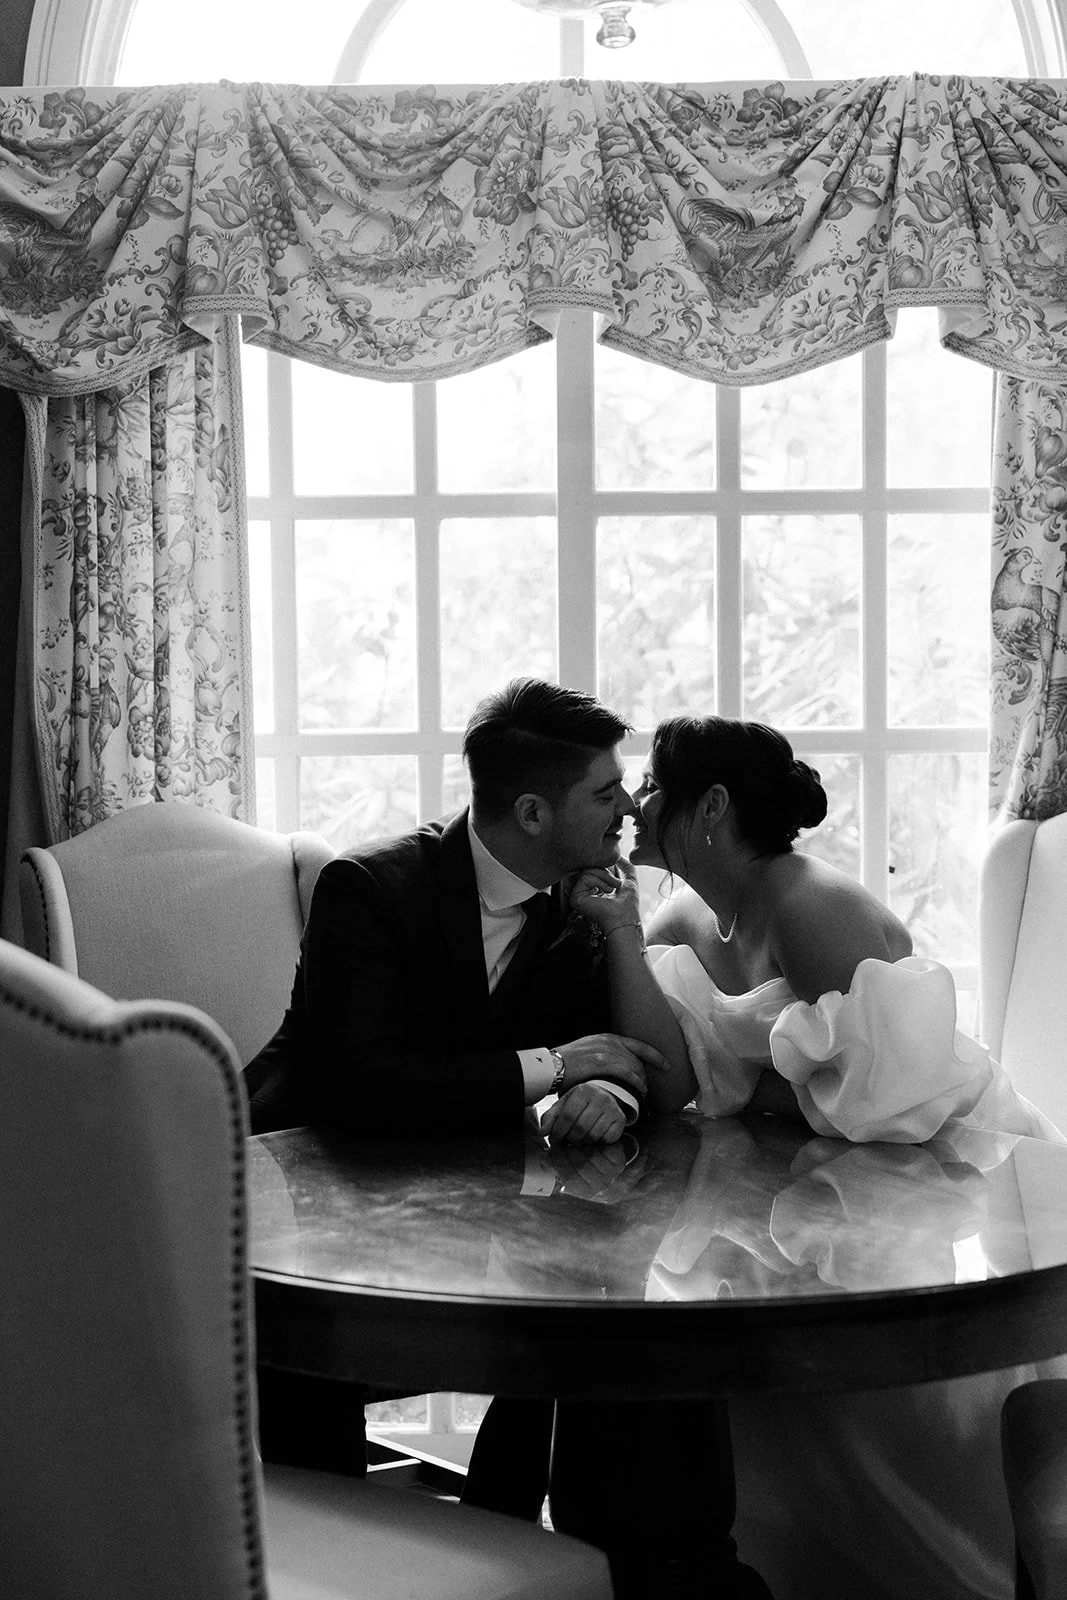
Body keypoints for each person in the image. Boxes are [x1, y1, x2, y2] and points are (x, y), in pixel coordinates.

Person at [566, 711, 1066, 1600]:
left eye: (651, 785)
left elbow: (885, 1097)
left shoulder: (809, 905)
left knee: (870, 1385)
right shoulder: (686, 912)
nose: (636, 803)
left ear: (711, 803)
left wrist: (752, 1091)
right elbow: (677, 1077)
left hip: (948, 1173)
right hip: (811, 1190)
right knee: (727, 1359)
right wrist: (618, 932)